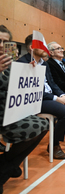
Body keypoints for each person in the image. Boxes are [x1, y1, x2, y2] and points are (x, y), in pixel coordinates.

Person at [0, 26, 49, 193]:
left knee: (41, 125)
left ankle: (6, 165)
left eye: (5, 42)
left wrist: (27, 72)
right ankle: (7, 167)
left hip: (8, 110)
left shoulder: (8, 63)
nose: (1, 45)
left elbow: (16, 87)